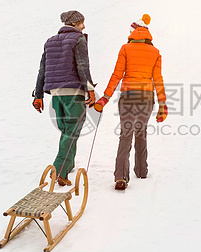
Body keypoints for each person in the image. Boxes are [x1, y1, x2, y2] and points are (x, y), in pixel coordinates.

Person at [94, 14, 168, 190]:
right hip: (146, 98)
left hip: (127, 97)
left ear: (133, 33)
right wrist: (163, 105)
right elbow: (158, 79)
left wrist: (105, 97)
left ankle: (120, 177)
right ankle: (142, 171)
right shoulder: (155, 52)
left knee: (126, 134)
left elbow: (117, 74)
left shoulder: (125, 48)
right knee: (141, 131)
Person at [32, 10, 96, 186]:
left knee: (67, 130)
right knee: (71, 131)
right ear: (74, 23)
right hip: (73, 93)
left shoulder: (50, 41)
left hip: (55, 94)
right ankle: (59, 170)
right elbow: (83, 66)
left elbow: (42, 71)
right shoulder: (78, 39)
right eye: (82, 23)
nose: (84, 26)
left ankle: (69, 164)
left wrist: (38, 96)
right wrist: (90, 90)